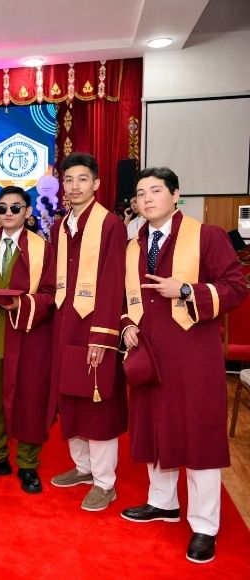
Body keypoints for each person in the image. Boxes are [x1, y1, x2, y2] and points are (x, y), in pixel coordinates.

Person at [120, 167, 248, 563]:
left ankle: (205, 525)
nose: (147, 199)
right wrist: (127, 325)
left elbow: (236, 288)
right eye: (141, 193)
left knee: (199, 435)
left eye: (156, 190)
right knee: (157, 427)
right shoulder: (135, 244)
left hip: (193, 355)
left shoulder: (206, 236)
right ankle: (163, 502)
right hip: (150, 353)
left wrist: (188, 289)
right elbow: (127, 298)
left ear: (176, 195)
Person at [48, 152, 127, 511]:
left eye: (82, 179)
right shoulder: (60, 227)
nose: (74, 186)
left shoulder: (110, 225)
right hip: (66, 326)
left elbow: (113, 283)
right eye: (68, 180)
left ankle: (105, 482)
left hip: (95, 326)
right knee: (71, 399)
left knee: (98, 404)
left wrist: (103, 336)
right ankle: (83, 468)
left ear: (96, 183)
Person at [0, 186, 56, 493]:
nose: (8, 213)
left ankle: (28, 463)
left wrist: (22, 303)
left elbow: (51, 294)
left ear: (28, 212)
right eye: (2, 208)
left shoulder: (43, 249)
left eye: (15, 208)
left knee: (29, 400)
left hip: (28, 337)